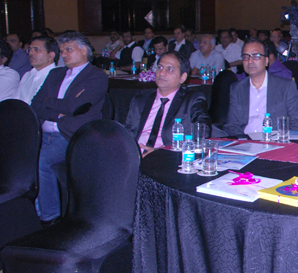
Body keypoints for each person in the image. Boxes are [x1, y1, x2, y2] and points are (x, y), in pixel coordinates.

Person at [32, 32, 108, 223]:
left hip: (71, 135)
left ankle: (50, 217)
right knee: (22, 158)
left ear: (83, 50)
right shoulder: (55, 74)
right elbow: (36, 104)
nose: (63, 54)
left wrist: (49, 102)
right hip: (43, 133)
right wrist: (58, 112)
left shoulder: (96, 76)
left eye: (68, 49)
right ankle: (34, 210)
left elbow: (76, 107)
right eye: (62, 51)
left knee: (41, 162)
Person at [125, 52, 210, 156]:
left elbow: (203, 131)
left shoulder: (192, 100)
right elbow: (127, 134)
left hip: (167, 157)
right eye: (160, 67)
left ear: (182, 77)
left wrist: (161, 152)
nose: (161, 73)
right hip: (134, 157)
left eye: (169, 69)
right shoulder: (140, 100)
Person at [223, 39, 298, 137]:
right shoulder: (237, 89)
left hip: (275, 141)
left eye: (256, 56)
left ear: (266, 61)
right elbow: (232, 126)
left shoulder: (286, 87)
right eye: (246, 57)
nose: (250, 61)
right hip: (245, 141)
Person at [17, 35, 58, 104]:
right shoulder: (28, 75)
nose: (30, 53)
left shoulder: (57, 77)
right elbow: (16, 100)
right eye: (29, 50)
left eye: (37, 49)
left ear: (50, 55)